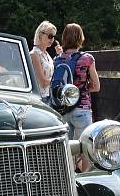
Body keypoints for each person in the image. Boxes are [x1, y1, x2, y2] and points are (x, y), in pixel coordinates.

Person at [53, 23, 100, 171]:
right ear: (81, 38)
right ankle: (84, 179)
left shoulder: (57, 59)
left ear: (64, 38)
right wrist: (85, 88)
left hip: (63, 109)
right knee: (85, 148)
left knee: (67, 149)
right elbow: (97, 86)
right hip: (82, 108)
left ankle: (70, 177)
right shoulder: (87, 58)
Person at [30, 21, 63, 102]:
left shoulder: (46, 54)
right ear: (41, 35)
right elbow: (43, 82)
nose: (52, 39)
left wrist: (59, 55)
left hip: (50, 97)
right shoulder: (34, 54)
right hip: (40, 99)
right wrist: (59, 80)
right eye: (50, 36)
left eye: (53, 36)